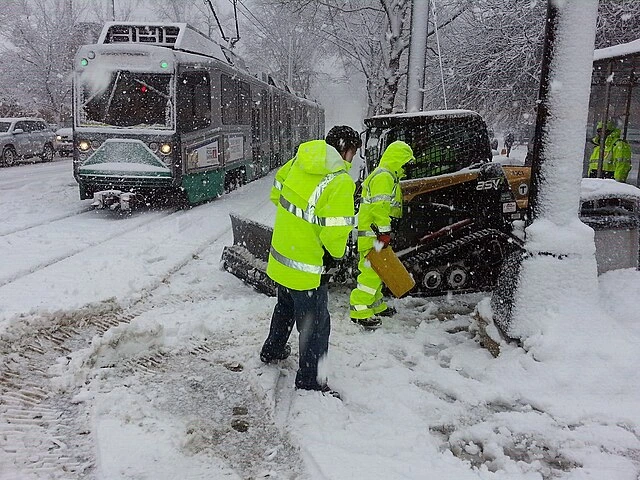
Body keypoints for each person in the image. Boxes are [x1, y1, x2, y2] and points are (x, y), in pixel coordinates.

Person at [259, 125, 361, 396]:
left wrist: (297, 227)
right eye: (352, 153)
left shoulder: (298, 161)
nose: (352, 160)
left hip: (282, 256)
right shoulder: (340, 181)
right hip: (307, 267)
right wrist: (336, 256)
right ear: (345, 150)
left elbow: (275, 195)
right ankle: (310, 380)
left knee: (285, 306)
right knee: (315, 325)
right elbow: (336, 233)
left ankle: (273, 350)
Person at [349, 141, 414, 329]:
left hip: (374, 234)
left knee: (378, 270)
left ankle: (376, 305)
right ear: (397, 160)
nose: (406, 167)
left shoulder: (386, 175)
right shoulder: (384, 176)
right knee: (370, 273)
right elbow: (380, 207)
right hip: (374, 235)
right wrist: (384, 232)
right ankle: (359, 309)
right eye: (405, 162)